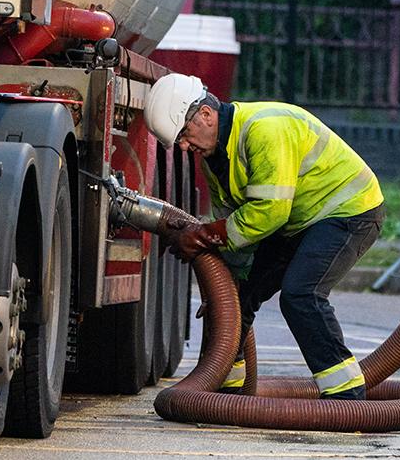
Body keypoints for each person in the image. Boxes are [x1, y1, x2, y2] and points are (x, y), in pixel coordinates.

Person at [143, 73, 384, 400]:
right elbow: (234, 226)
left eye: (184, 133)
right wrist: (228, 285)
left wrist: (203, 236)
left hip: (348, 211)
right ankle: (228, 389)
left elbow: (270, 210)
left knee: (301, 295)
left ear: (205, 114)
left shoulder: (263, 129)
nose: (185, 146)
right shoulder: (216, 158)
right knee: (237, 300)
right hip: (298, 221)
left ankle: (346, 396)